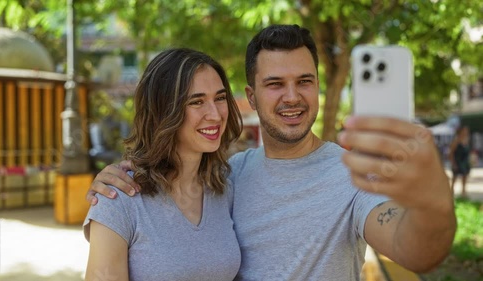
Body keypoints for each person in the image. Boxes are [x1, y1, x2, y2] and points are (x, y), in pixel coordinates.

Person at [86, 25, 456, 280]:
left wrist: (435, 201)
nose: (292, 96)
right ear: (251, 97)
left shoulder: (352, 175)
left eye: (304, 82)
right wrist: (114, 184)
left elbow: (416, 251)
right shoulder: (229, 175)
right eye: (275, 84)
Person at [83, 48, 243, 281]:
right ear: (163, 111)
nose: (216, 114)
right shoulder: (117, 200)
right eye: (197, 101)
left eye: (219, 98)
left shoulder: (225, 187)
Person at [449, 126, 471, 197]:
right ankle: (451, 193)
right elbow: (451, 153)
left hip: (465, 162)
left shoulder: (467, 141)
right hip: (457, 161)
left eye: (466, 131)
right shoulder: (456, 141)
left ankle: (463, 192)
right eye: (464, 130)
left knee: (464, 177)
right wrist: (453, 163)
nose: (466, 132)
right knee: (454, 178)